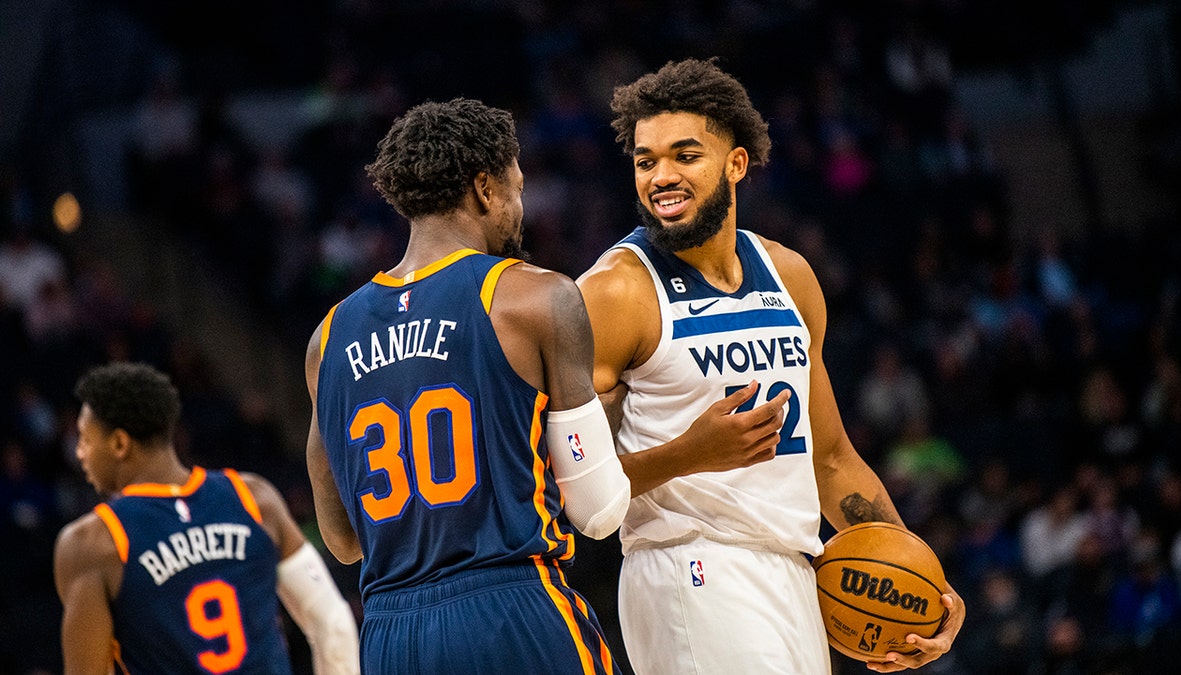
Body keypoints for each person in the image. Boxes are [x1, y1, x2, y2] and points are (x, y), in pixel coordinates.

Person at [575, 57, 965, 674]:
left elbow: (831, 459)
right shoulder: (614, 293)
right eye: (646, 161)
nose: (662, 177)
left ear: (736, 163)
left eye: (685, 155)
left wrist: (921, 581)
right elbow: (563, 481)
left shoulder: (790, 276)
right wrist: (689, 454)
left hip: (794, 569)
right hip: (689, 566)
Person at [304, 97, 630, 675]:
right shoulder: (534, 296)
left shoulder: (326, 340)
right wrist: (616, 401)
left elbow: (342, 541)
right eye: (517, 188)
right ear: (485, 188)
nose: (520, 209)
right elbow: (599, 512)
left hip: (388, 633)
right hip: (514, 608)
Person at [53, 361, 359, 675]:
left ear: (119, 444)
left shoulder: (94, 542)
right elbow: (333, 624)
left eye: (85, 439)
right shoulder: (253, 497)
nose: (79, 452)